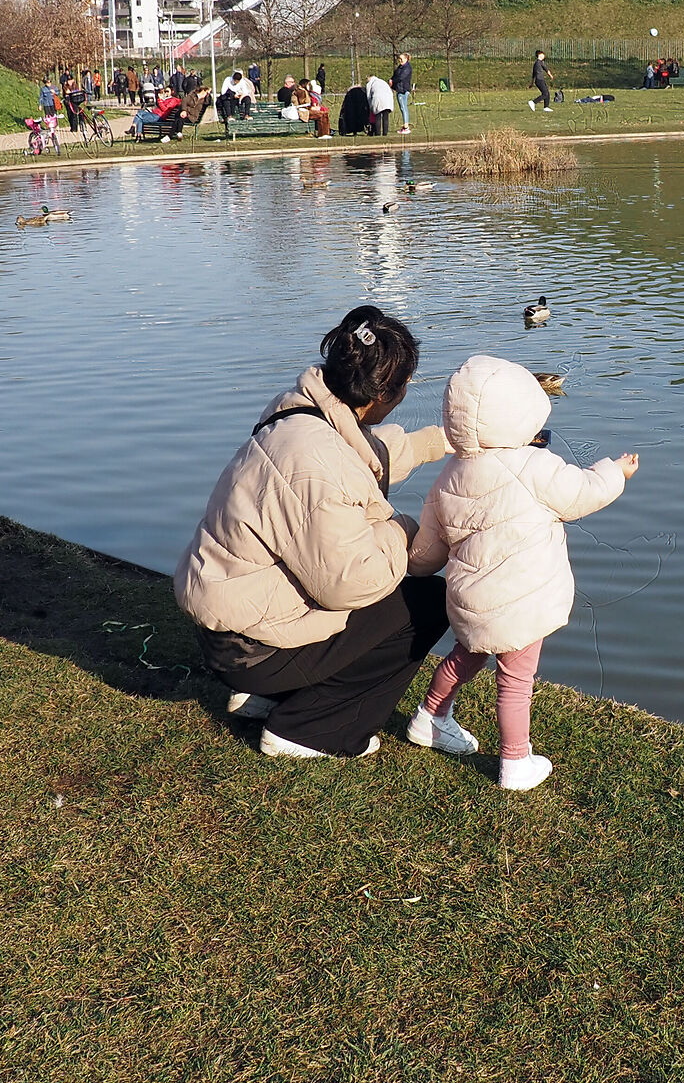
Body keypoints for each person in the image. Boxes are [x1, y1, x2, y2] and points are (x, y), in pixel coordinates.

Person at [175, 306, 453, 760]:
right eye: (405, 385)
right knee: (424, 602)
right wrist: (403, 531)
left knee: (381, 577)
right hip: (248, 648)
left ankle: (272, 696)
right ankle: (309, 728)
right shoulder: (316, 463)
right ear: (385, 393)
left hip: (231, 622)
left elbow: (367, 456)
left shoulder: (301, 412)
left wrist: (442, 441)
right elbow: (353, 583)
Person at [405, 356, 637, 791]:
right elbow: (583, 493)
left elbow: (426, 556)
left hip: (471, 600)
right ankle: (515, 762)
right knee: (515, 679)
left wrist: (405, 550)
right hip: (522, 599)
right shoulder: (534, 466)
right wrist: (615, 471)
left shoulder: (448, 476)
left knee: (465, 655)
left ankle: (430, 716)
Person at [365, 67, 396, 137]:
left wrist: (371, 107)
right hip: (388, 99)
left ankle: (378, 133)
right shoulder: (382, 81)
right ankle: (385, 133)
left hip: (378, 99)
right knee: (386, 117)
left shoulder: (370, 84)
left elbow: (368, 96)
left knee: (378, 116)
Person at [391, 53, 414, 134]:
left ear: (406, 59)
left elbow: (401, 77)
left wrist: (393, 81)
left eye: (401, 59)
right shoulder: (400, 67)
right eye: (399, 59)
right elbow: (395, 75)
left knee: (403, 108)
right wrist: (391, 80)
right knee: (402, 108)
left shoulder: (407, 68)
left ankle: (406, 127)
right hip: (399, 89)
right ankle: (405, 125)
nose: (399, 60)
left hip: (403, 90)